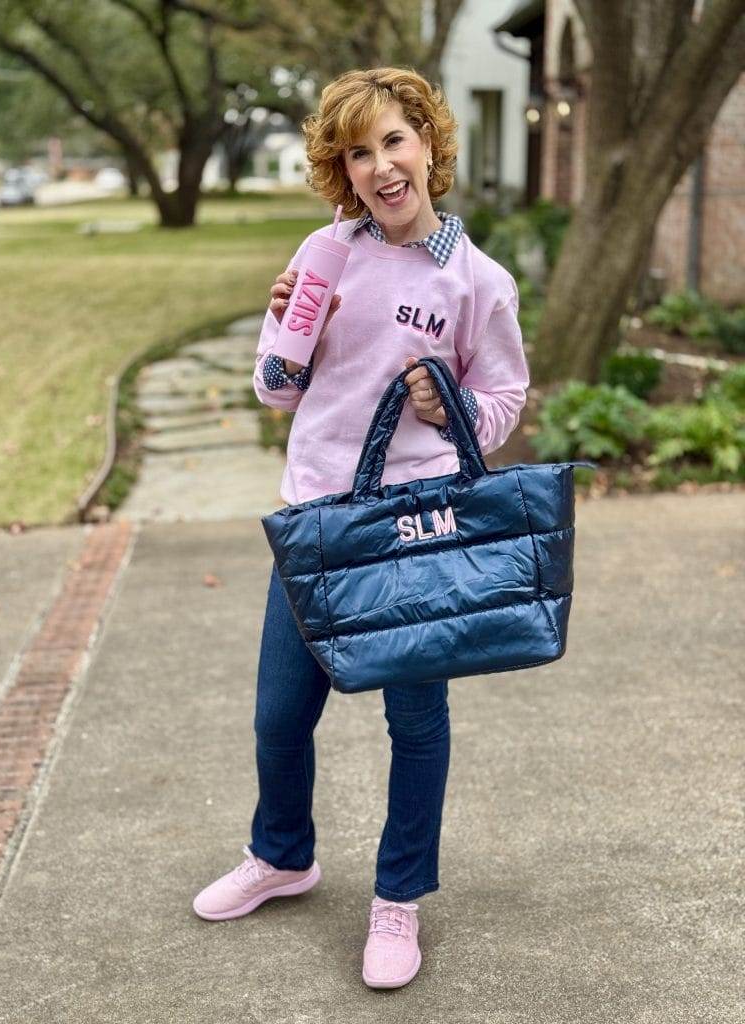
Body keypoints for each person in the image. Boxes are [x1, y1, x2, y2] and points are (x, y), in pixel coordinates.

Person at [192, 66, 530, 990]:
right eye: (358, 151)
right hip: (314, 519)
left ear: (427, 143)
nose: (381, 166)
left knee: (416, 720)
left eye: (394, 140)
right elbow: (275, 394)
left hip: (411, 524)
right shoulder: (325, 252)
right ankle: (283, 855)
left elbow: (501, 400)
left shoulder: (476, 280)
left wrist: (448, 402)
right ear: (340, 169)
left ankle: (397, 899)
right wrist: (286, 336)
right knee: (278, 716)